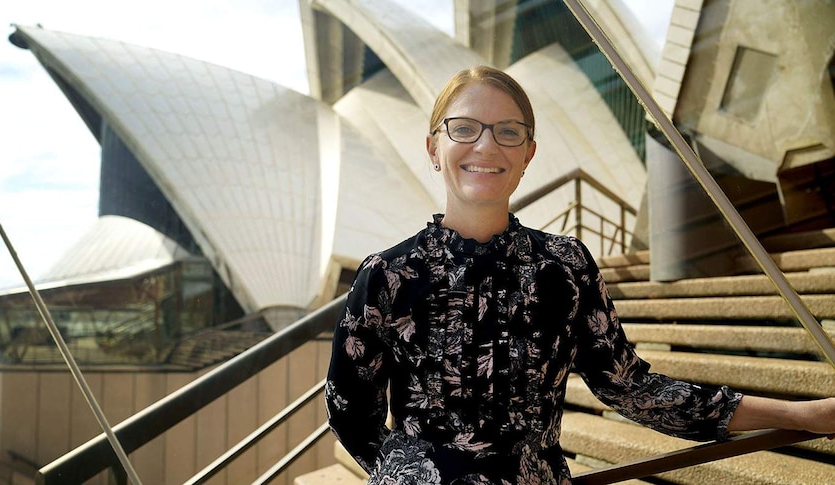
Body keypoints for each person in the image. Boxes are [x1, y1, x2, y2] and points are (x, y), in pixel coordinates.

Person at [324, 65, 835, 484]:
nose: (486, 146)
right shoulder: (385, 276)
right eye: (464, 128)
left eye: (508, 132)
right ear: (434, 148)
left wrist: (800, 416)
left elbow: (631, 389)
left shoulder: (565, 267)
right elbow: (349, 414)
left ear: (528, 154)